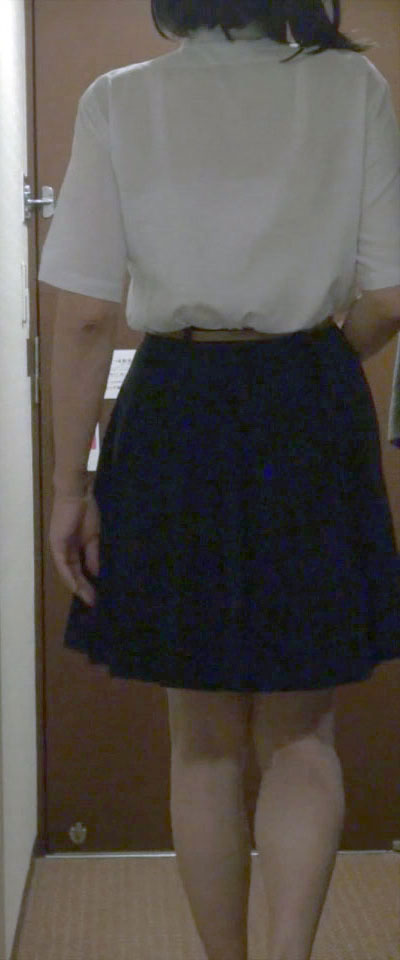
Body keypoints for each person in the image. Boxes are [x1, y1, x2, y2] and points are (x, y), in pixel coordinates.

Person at [38, 3, 400, 959]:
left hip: (177, 407)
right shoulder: (350, 86)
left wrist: (69, 488)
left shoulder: (120, 100)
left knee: (200, 739)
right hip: (310, 400)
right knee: (303, 733)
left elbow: (83, 316)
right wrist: (322, 361)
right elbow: (390, 294)